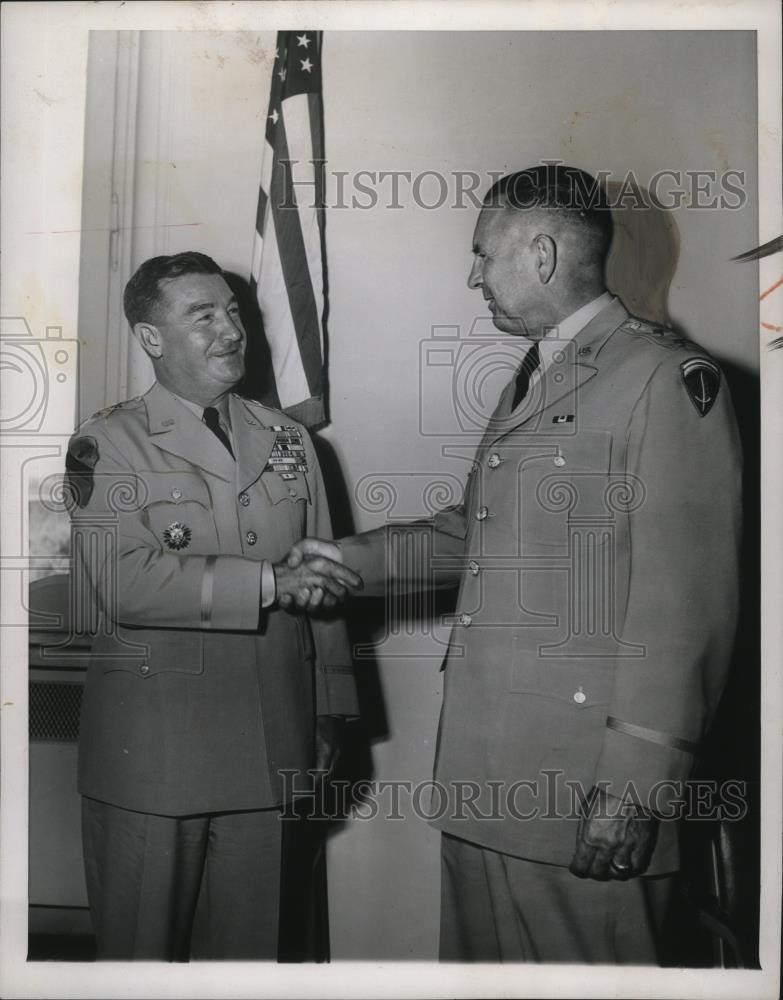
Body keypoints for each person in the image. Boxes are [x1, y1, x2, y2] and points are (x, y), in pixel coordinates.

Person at [289, 165, 743, 963]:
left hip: (583, 794)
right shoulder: (537, 374)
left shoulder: (662, 380)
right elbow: (479, 533)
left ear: (540, 253)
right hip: (487, 779)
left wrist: (636, 785)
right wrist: (343, 556)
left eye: (481, 254)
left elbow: (686, 607)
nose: (472, 276)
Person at [64, 251, 363, 960]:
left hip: (271, 743)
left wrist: (329, 709)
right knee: (143, 962)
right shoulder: (107, 444)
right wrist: (265, 585)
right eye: (203, 315)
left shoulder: (289, 441)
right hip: (155, 758)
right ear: (151, 339)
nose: (231, 330)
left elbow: (323, 586)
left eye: (233, 311)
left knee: (250, 962)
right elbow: (128, 583)